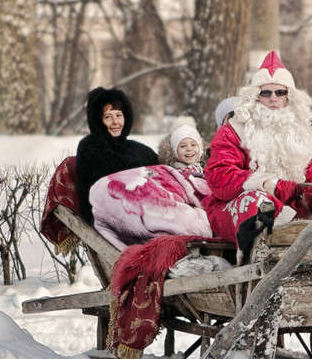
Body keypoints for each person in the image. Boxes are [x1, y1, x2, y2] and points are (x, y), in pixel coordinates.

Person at [204, 51, 312, 256]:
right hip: (237, 207)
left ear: (289, 96)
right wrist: (269, 184)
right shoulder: (233, 130)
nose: (273, 98)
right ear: (255, 96)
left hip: (295, 206)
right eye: (266, 93)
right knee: (258, 201)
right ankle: (259, 255)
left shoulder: (307, 136)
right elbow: (219, 176)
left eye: (280, 92)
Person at [87, 121, 214, 251]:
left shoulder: (204, 171)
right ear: (175, 152)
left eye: (193, 144)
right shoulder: (172, 170)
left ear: (200, 149)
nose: (189, 149)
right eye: (183, 146)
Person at [75, 87, 159, 225]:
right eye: (108, 117)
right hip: (106, 217)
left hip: (142, 213)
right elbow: (113, 176)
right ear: (97, 120)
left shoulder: (138, 149)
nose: (115, 122)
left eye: (119, 115)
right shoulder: (89, 146)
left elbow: (161, 171)